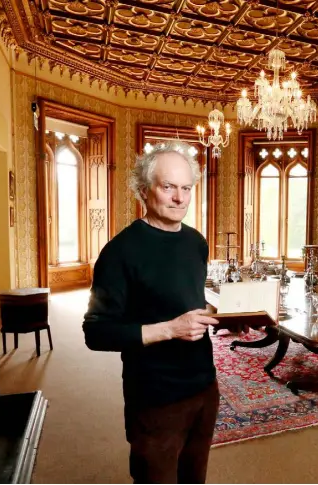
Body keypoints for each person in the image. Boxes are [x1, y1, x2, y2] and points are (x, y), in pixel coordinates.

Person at [83, 141, 220, 484]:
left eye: (187, 188)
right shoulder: (119, 253)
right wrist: (170, 330)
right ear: (144, 191)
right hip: (155, 396)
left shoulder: (196, 242)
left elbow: (186, 300)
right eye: (168, 187)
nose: (180, 198)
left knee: (195, 478)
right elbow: (96, 332)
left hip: (204, 385)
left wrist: (221, 315)